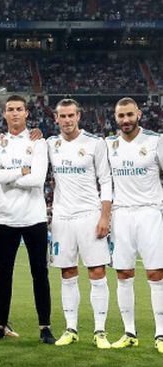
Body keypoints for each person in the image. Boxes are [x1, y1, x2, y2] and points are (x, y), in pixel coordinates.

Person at [0, 95, 55, 344]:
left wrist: (8, 176)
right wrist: (22, 171)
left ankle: (45, 327)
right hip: (6, 219)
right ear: (4, 114)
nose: (14, 113)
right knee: (4, 276)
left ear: (26, 113)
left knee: (39, 274)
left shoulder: (39, 143)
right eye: (10, 110)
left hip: (34, 218)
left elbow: (37, 179)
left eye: (19, 109)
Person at [46, 99, 112, 349]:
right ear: (56, 118)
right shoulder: (51, 144)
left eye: (71, 115)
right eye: (62, 116)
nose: (67, 120)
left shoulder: (95, 143)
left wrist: (105, 216)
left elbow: (105, 181)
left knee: (97, 271)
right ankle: (71, 328)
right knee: (67, 272)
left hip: (89, 215)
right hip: (62, 218)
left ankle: (100, 331)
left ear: (79, 116)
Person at [106, 97, 163, 353]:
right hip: (122, 215)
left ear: (138, 114)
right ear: (115, 118)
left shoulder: (155, 140)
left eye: (129, 115)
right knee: (123, 274)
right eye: (121, 116)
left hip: (150, 213)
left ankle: (161, 334)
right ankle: (129, 332)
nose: (125, 120)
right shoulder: (108, 144)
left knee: (156, 274)